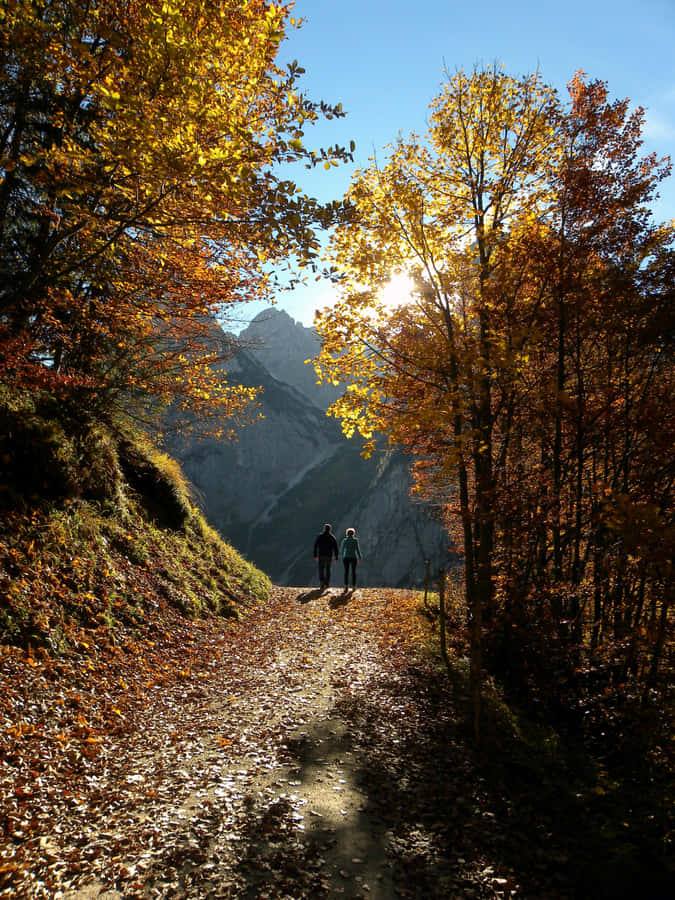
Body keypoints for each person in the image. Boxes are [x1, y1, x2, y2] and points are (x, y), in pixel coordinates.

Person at [313, 523, 339, 590]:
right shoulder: (332, 537)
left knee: (321, 569)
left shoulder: (320, 536)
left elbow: (315, 546)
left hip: (321, 555)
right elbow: (335, 548)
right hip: (329, 555)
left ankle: (322, 582)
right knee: (328, 569)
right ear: (330, 529)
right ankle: (327, 584)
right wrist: (336, 557)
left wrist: (315, 555)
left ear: (324, 529)